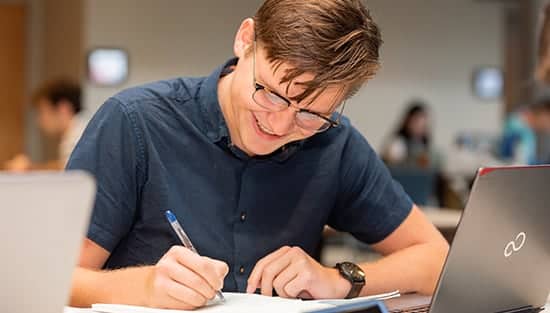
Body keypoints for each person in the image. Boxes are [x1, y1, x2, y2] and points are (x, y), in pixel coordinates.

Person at [68, 0, 449, 310]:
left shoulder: (334, 144)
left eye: (311, 114)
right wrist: (146, 287)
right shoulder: (135, 123)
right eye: (271, 94)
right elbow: (52, 280)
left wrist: (338, 280)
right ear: (246, 40)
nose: (280, 126)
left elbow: (436, 259)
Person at [3, 79, 86, 172]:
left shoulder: (78, 135)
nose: (39, 120)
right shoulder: (76, 131)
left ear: (63, 108)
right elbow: (65, 164)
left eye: (42, 112)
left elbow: (70, 171)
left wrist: (29, 168)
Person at [382, 101, 437, 169]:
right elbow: (391, 163)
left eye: (423, 125)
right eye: (416, 123)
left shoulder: (423, 144)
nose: (419, 128)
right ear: (407, 121)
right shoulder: (397, 142)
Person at [501, 97, 550, 165]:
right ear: (543, 113)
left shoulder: (524, 129)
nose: (546, 125)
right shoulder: (522, 130)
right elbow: (523, 162)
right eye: (547, 119)